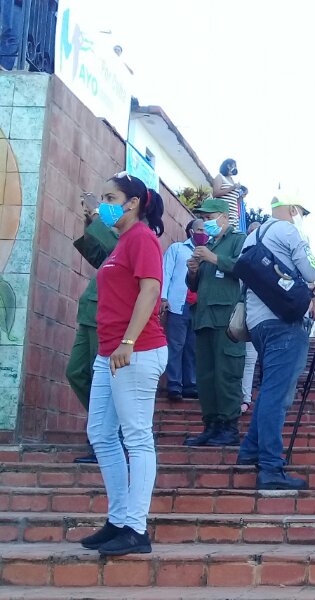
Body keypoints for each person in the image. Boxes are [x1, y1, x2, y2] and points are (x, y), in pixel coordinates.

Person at [81, 173, 167, 556]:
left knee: (136, 437)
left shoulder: (141, 238)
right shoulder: (120, 243)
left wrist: (129, 341)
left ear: (132, 202)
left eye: (110, 197)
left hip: (136, 350)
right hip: (109, 352)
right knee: (100, 433)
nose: (105, 203)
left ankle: (136, 528)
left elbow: (151, 289)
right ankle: (118, 519)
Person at [235, 195, 315, 490]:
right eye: (302, 213)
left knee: (271, 389)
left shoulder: (252, 237)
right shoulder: (288, 230)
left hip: (257, 323)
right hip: (284, 323)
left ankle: (249, 450)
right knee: (277, 395)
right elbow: (311, 270)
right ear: (294, 210)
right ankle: (270, 467)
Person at [184, 198, 247, 447]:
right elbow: (195, 285)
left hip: (227, 318)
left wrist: (213, 258)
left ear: (223, 216)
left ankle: (229, 426)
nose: (207, 222)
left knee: (226, 373)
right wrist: (193, 271)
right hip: (203, 317)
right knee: (206, 375)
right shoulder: (208, 244)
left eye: (210, 218)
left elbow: (243, 268)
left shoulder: (238, 240)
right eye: (204, 218)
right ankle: (210, 424)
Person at [66, 193, 120, 464]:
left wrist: (98, 216)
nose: (107, 204)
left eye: (112, 198)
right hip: (90, 311)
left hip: (105, 316)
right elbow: (99, 256)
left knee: (102, 380)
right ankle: (105, 427)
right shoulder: (111, 231)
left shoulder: (135, 232)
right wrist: (90, 224)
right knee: (76, 372)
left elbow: (116, 249)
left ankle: (107, 435)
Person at [160, 219, 202, 403]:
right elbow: (165, 272)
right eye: (200, 229)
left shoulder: (208, 253)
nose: (204, 232)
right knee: (176, 345)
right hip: (179, 304)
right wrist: (163, 297)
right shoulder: (177, 249)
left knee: (192, 347)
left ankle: (190, 384)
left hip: (199, 307)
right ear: (191, 232)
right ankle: (174, 384)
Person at [240, 221, 263, 414]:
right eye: (250, 232)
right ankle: (243, 398)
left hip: (266, 319)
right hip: (244, 314)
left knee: (253, 359)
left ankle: (250, 398)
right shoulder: (243, 255)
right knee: (247, 359)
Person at [212, 158, 243, 229]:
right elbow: (215, 193)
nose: (235, 168)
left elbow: (234, 201)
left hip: (233, 215)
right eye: (234, 165)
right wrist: (232, 188)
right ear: (228, 166)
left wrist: (241, 196)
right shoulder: (220, 177)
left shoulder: (232, 180)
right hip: (223, 213)